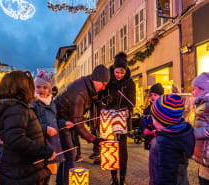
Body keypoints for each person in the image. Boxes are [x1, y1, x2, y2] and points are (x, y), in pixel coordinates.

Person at [0, 71, 56, 185]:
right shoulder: (17, 109)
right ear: (22, 87)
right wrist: (44, 151)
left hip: (20, 168)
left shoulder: (16, 107)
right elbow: (16, 139)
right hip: (21, 170)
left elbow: (21, 130)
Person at [55, 64, 110, 185]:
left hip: (65, 121)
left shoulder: (87, 87)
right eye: (104, 84)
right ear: (97, 79)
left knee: (66, 156)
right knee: (70, 155)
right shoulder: (80, 92)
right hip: (61, 121)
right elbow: (78, 122)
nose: (104, 88)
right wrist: (95, 140)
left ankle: (60, 182)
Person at [32, 71, 74, 185]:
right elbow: (30, 125)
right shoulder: (33, 104)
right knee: (39, 176)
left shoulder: (52, 104)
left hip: (52, 145)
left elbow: (54, 122)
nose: (41, 90)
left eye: (45, 87)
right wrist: (45, 129)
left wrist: (64, 123)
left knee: (48, 175)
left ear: (49, 89)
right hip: (40, 146)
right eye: (38, 87)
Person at [103, 52, 136, 185]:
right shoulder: (108, 81)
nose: (119, 75)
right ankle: (114, 179)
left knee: (122, 150)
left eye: (122, 73)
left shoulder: (130, 82)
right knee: (111, 147)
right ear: (113, 70)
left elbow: (132, 102)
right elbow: (102, 98)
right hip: (109, 119)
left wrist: (129, 110)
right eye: (117, 72)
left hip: (122, 119)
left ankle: (122, 179)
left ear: (126, 71)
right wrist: (107, 100)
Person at [149, 94, 195, 185]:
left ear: (161, 120)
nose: (152, 120)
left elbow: (164, 176)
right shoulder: (181, 135)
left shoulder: (163, 143)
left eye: (153, 117)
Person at [192, 72, 209, 184]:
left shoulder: (207, 104)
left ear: (202, 89)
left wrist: (193, 133)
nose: (193, 92)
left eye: (194, 89)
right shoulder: (202, 103)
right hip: (205, 157)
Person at [141, 83, 164, 150]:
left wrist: (157, 131)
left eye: (155, 95)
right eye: (151, 95)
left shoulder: (164, 108)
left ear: (160, 96)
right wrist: (145, 128)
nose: (152, 97)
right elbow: (143, 120)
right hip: (150, 138)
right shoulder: (147, 109)